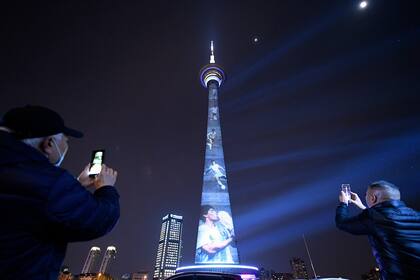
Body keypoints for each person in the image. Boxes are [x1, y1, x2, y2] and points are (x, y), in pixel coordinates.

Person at [0, 105, 120, 280]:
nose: (66, 145)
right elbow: (98, 219)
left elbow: (38, 205)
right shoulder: (47, 181)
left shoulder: (25, 175)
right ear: (49, 143)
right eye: (66, 140)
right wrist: (105, 187)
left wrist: (76, 184)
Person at [335, 180, 420, 279]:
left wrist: (343, 203)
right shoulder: (416, 215)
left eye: (366, 194)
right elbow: (383, 220)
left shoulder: (373, 217)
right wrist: (363, 207)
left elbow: (342, 223)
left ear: (373, 198)